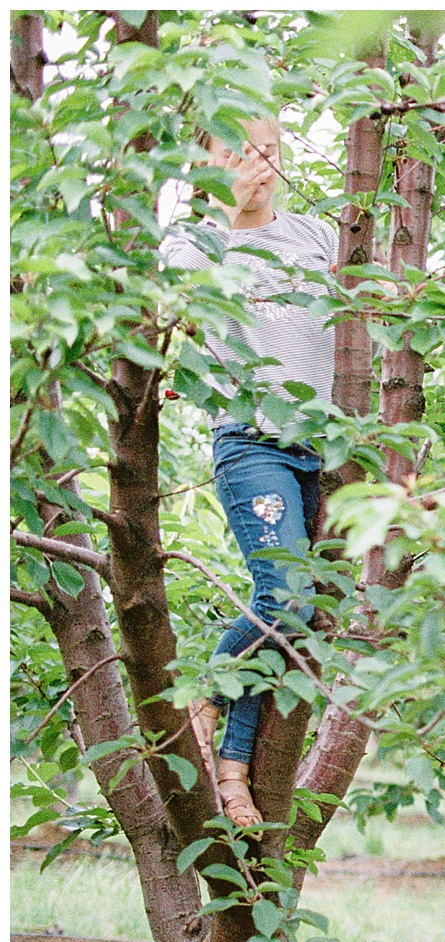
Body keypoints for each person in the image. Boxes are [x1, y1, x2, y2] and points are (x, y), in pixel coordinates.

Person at [161, 116, 336, 828]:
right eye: (236, 151)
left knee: (297, 618)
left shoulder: (318, 237)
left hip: (325, 450)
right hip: (252, 442)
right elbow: (171, 305)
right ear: (205, 162)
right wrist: (227, 211)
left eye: (268, 149)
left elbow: (373, 308)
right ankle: (205, 694)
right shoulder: (192, 244)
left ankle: (233, 769)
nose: (258, 163)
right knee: (285, 595)